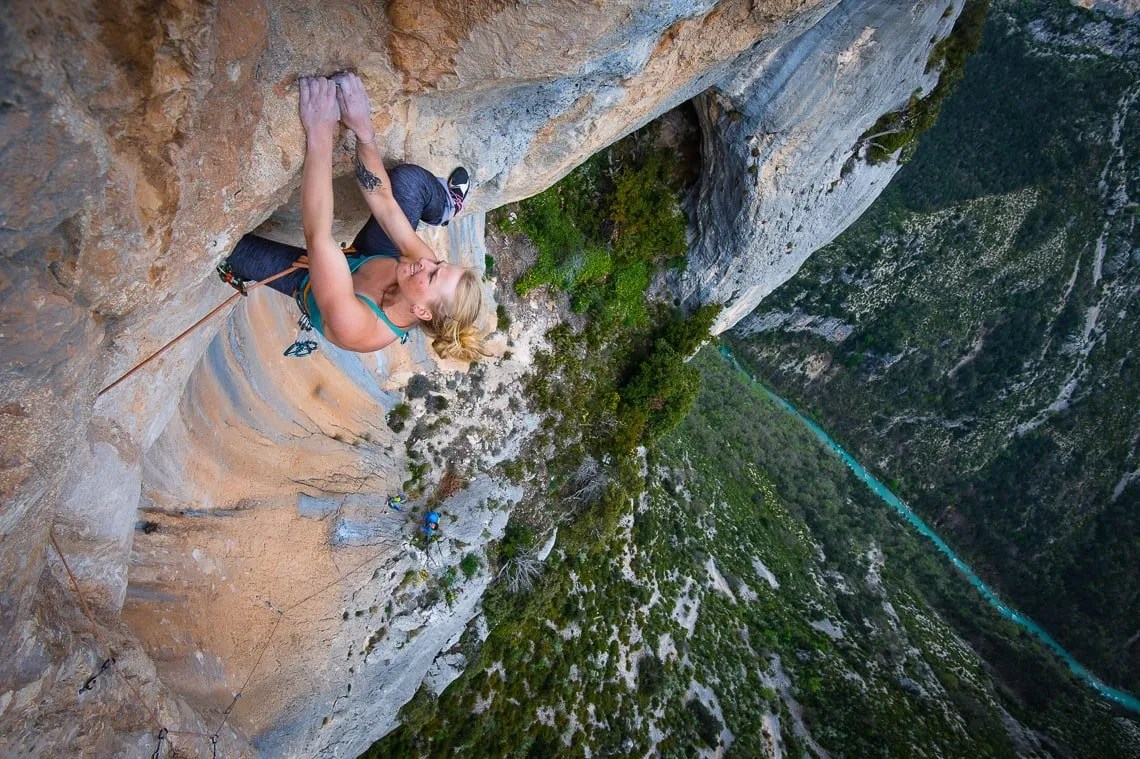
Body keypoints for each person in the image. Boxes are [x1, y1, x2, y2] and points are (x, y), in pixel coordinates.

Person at [220, 73, 487, 361]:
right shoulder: (418, 266)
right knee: (409, 184)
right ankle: (445, 206)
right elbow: (383, 201)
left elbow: (318, 236)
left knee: (229, 249)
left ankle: (244, 267)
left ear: (421, 311)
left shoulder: (359, 328)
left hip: (308, 283)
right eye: (439, 264)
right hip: (367, 256)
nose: (427, 262)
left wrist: (320, 132)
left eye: (433, 274)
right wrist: (363, 130)